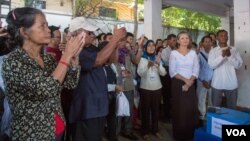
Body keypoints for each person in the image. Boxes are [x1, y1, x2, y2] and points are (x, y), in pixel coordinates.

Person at [2, 7, 85, 141]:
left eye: (47, 24)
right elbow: (47, 89)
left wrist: (74, 61)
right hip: (33, 134)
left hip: (56, 129)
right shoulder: (12, 62)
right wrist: (66, 56)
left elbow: (70, 83)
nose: (48, 30)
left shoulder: (47, 59)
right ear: (24, 32)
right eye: (42, 25)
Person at [68, 17, 127, 141]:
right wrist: (115, 38)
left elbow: (112, 60)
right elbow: (98, 60)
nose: (93, 35)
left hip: (98, 106)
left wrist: (116, 43)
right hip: (87, 108)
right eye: (89, 33)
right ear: (76, 33)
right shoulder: (75, 51)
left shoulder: (91, 48)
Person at [169, 31, 199, 140]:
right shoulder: (174, 53)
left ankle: (190, 135)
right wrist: (186, 80)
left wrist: (190, 81)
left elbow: (196, 69)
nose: (185, 40)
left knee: (190, 109)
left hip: (191, 83)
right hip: (178, 83)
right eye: (182, 38)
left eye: (187, 38)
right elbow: (172, 71)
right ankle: (179, 136)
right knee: (179, 110)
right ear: (178, 41)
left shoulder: (193, 53)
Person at [137, 40, 166, 140]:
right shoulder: (142, 59)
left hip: (157, 88)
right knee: (145, 111)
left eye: (153, 45)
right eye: (149, 45)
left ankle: (155, 130)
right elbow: (140, 73)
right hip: (146, 88)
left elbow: (163, 73)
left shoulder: (157, 58)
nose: (151, 47)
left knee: (156, 111)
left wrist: (158, 66)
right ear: (145, 48)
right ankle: (145, 132)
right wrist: (148, 66)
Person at [208, 30, 242, 109]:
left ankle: (230, 121)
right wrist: (222, 56)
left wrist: (230, 56)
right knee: (216, 108)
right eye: (221, 35)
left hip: (231, 84)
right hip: (217, 84)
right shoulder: (213, 51)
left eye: (225, 35)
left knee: (232, 108)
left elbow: (238, 65)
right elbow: (211, 66)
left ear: (228, 37)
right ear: (217, 38)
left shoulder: (234, 50)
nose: (223, 37)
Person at [196, 35, 213, 123]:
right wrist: (203, 80)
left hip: (212, 81)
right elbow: (196, 68)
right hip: (201, 81)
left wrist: (211, 80)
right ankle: (202, 117)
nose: (207, 43)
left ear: (212, 42)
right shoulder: (199, 54)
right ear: (202, 43)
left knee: (212, 99)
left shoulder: (215, 53)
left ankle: (210, 116)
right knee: (201, 99)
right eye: (205, 41)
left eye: (209, 41)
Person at [160, 34, 177, 122]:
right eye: (173, 40)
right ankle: (166, 116)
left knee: (174, 97)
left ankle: (173, 114)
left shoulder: (178, 50)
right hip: (167, 77)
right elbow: (166, 62)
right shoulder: (165, 51)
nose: (175, 42)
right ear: (169, 41)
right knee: (167, 96)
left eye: (175, 40)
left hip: (175, 77)